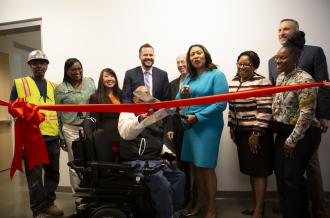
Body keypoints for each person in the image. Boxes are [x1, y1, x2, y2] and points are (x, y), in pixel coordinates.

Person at [269, 19, 330, 218]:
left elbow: (306, 112)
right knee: (282, 175)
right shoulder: (280, 77)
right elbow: (278, 103)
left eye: (282, 59)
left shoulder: (305, 78)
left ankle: (310, 210)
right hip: (285, 129)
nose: (277, 62)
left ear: (296, 57)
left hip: (303, 131)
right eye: (277, 59)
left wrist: (293, 139)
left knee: (294, 177)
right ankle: (289, 212)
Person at [9, 50, 64, 218]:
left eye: (42, 62)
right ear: (30, 66)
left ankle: (49, 203)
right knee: (34, 178)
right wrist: (24, 113)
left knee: (53, 174)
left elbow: (61, 113)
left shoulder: (55, 87)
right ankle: (38, 209)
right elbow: (12, 109)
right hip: (31, 139)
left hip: (52, 138)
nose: (39, 65)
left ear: (47, 65)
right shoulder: (20, 84)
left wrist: (61, 135)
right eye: (35, 63)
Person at [118, 85, 185, 218]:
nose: (144, 98)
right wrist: (140, 119)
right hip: (137, 161)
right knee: (162, 183)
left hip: (155, 160)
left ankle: (174, 212)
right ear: (134, 98)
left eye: (147, 94)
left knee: (179, 176)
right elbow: (126, 134)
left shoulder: (155, 114)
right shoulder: (127, 111)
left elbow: (158, 142)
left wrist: (169, 156)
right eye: (141, 95)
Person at [178, 44, 228, 218]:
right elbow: (178, 101)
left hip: (207, 126)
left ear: (205, 55)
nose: (195, 56)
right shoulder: (188, 78)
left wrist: (197, 117)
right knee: (196, 167)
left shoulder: (217, 75)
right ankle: (199, 203)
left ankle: (212, 208)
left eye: (198, 53)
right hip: (190, 126)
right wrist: (157, 108)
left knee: (206, 167)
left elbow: (221, 104)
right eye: (192, 54)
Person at [228, 51, 273, 218]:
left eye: (246, 64)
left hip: (257, 133)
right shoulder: (233, 81)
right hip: (241, 132)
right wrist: (231, 126)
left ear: (254, 65)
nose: (242, 67)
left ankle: (259, 210)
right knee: (251, 170)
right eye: (239, 63)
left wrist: (257, 133)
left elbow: (265, 109)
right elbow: (231, 106)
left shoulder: (262, 81)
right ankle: (255, 205)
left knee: (259, 171)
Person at [54, 58, 96, 190]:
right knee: (75, 162)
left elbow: (95, 103)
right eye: (73, 69)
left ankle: (90, 193)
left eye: (79, 68)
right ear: (67, 71)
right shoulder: (60, 89)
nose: (77, 72)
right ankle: (78, 197)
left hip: (89, 128)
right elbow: (57, 114)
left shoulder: (90, 83)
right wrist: (61, 136)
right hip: (70, 129)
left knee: (91, 160)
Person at [165, 53, 192, 206]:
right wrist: (169, 127)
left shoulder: (195, 81)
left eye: (183, 62)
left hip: (193, 124)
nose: (180, 65)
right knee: (181, 164)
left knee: (196, 165)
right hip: (177, 127)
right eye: (178, 62)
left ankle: (197, 198)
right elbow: (170, 107)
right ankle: (185, 199)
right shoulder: (173, 83)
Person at [89, 68, 123, 162]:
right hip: (106, 139)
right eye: (106, 76)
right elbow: (94, 121)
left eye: (112, 76)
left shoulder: (122, 94)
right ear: (101, 79)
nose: (110, 79)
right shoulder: (95, 97)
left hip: (124, 137)